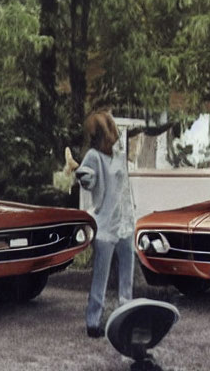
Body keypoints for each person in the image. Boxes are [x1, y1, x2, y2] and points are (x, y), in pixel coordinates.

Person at [73, 109, 136, 338]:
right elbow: (87, 181)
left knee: (126, 278)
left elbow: (126, 188)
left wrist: (132, 213)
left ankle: (125, 317)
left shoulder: (119, 155)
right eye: (109, 129)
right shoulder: (93, 156)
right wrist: (79, 171)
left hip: (125, 222)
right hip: (105, 224)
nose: (113, 133)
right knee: (101, 275)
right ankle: (93, 322)